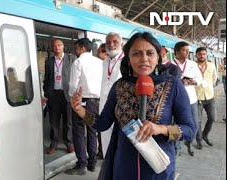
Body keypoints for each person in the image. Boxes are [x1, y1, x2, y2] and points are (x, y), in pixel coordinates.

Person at [70, 32, 196, 179]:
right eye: (136, 54)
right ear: (128, 59)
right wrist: (80, 110)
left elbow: (190, 131)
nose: (144, 59)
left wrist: (161, 129)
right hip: (123, 167)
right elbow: (101, 124)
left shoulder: (172, 85)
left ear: (158, 58)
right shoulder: (119, 87)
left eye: (150, 53)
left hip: (157, 170)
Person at [67, 38, 103, 175]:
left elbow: (73, 86)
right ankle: (92, 163)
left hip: (81, 102)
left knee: (79, 133)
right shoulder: (100, 62)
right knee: (92, 132)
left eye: (76, 48)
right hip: (96, 102)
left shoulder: (78, 62)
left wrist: (72, 98)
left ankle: (82, 164)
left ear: (82, 48)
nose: (75, 51)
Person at [43, 39, 76, 155]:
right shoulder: (49, 61)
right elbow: (46, 79)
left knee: (68, 121)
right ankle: (54, 144)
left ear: (63, 47)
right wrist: (46, 92)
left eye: (59, 45)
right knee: (53, 121)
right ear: (53, 48)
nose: (57, 47)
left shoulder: (71, 59)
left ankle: (69, 143)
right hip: (54, 95)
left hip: (67, 94)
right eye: (55, 45)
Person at [173, 41, 202, 156]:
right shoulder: (170, 64)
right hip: (176, 100)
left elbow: (199, 79)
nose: (187, 53)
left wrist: (192, 81)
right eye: (184, 50)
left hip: (191, 99)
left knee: (194, 124)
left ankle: (189, 141)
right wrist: (180, 82)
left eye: (188, 51)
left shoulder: (192, 64)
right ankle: (176, 147)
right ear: (177, 51)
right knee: (175, 125)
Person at [99, 32, 124, 159]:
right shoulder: (105, 61)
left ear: (121, 43)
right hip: (104, 104)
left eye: (115, 42)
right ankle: (107, 165)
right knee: (105, 137)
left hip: (120, 106)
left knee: (118, 139)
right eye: (108, 42)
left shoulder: (126, 61)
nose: (111, 44)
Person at [195, 47, 218, 148]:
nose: (202, 56)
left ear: (206, 55)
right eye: (200, 54)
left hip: (210, 96)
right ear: (196, 55)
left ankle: (205, 135)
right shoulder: (193, 66)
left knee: (212, 118)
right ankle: (199, 140)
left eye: (204, 54)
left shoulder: (212, 66)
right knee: (198, 120)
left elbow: (214, 78)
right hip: (197, 97)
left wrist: (208, 86)